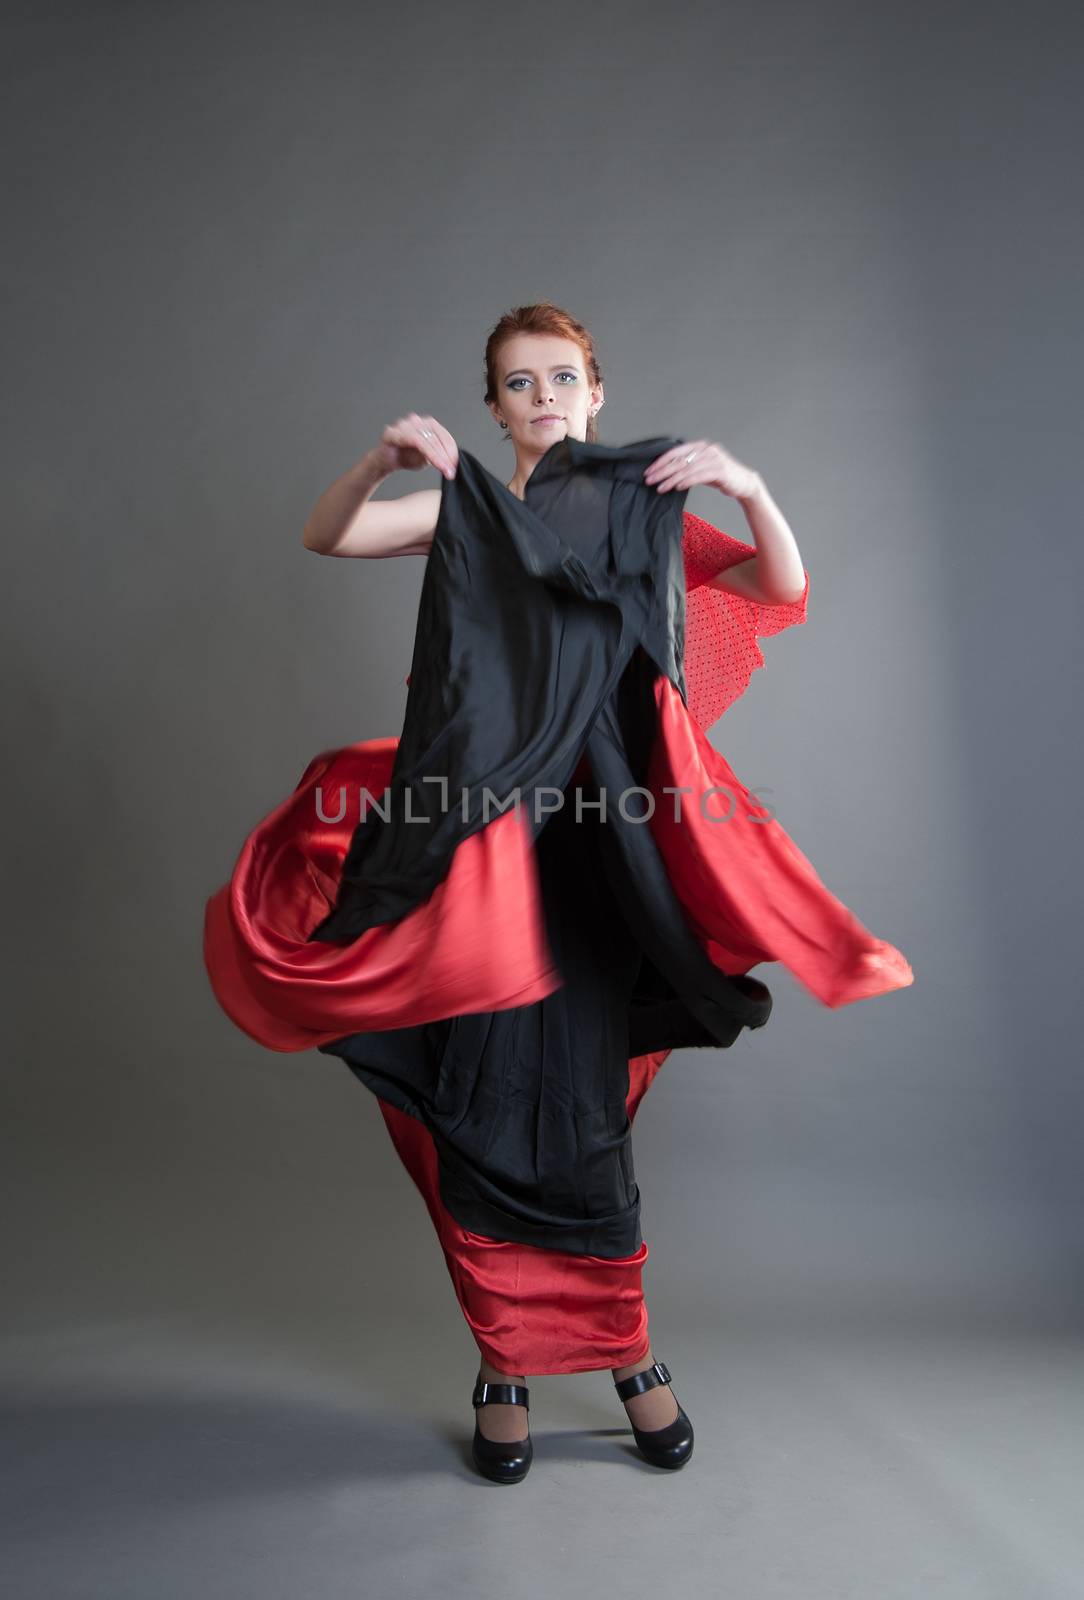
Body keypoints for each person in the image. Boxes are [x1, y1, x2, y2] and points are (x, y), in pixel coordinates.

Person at [203, 300, 913, 1484]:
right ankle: (504, 1366)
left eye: (562, 378)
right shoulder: (469, 510)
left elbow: (781, 580)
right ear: (492, 407)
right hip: (475, 858)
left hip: (594, 860)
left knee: (580, 1114)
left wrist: (744, 482)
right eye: (518, 384)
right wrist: (381, 460)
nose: (543, 399)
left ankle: (627, 1351)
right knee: (477, 1101)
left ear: (597, 393)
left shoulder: (644, 519)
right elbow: (331, 536)